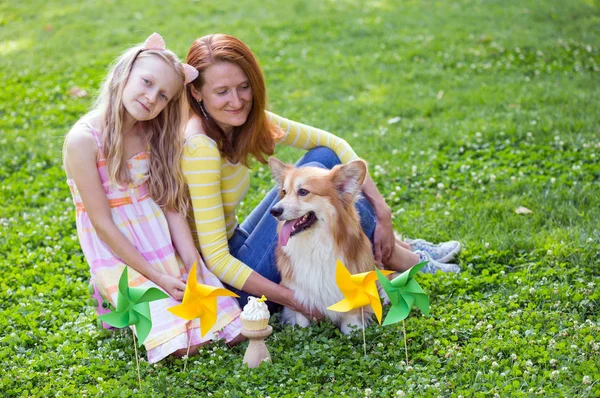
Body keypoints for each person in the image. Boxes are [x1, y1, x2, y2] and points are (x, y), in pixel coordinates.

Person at [182, 34, 460, 319]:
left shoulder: (242, 121)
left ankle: (399, 247)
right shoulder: (200, 148)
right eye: (222, 92)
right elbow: (216, 259)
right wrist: (293, 300)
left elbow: (335, 146)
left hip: (236, 241)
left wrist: (383, 210)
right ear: (196, 93)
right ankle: (402, 258)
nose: (237, 100)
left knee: (326, 165)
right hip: (225, 281)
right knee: (330, 193)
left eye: (244, 87)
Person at [63, 33, 244, 363]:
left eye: (163, 96)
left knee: (229, 328)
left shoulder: (154, 133)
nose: (151, 98)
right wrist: (157, 277)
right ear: (125, 73)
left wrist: (193, 264)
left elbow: (170, 206)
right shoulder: (83, 140)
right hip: (119, 250)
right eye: (146, 83)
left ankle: (132, 296)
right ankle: (107, 289)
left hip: (159, 240)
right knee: (184, 346)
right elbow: (102, 224)